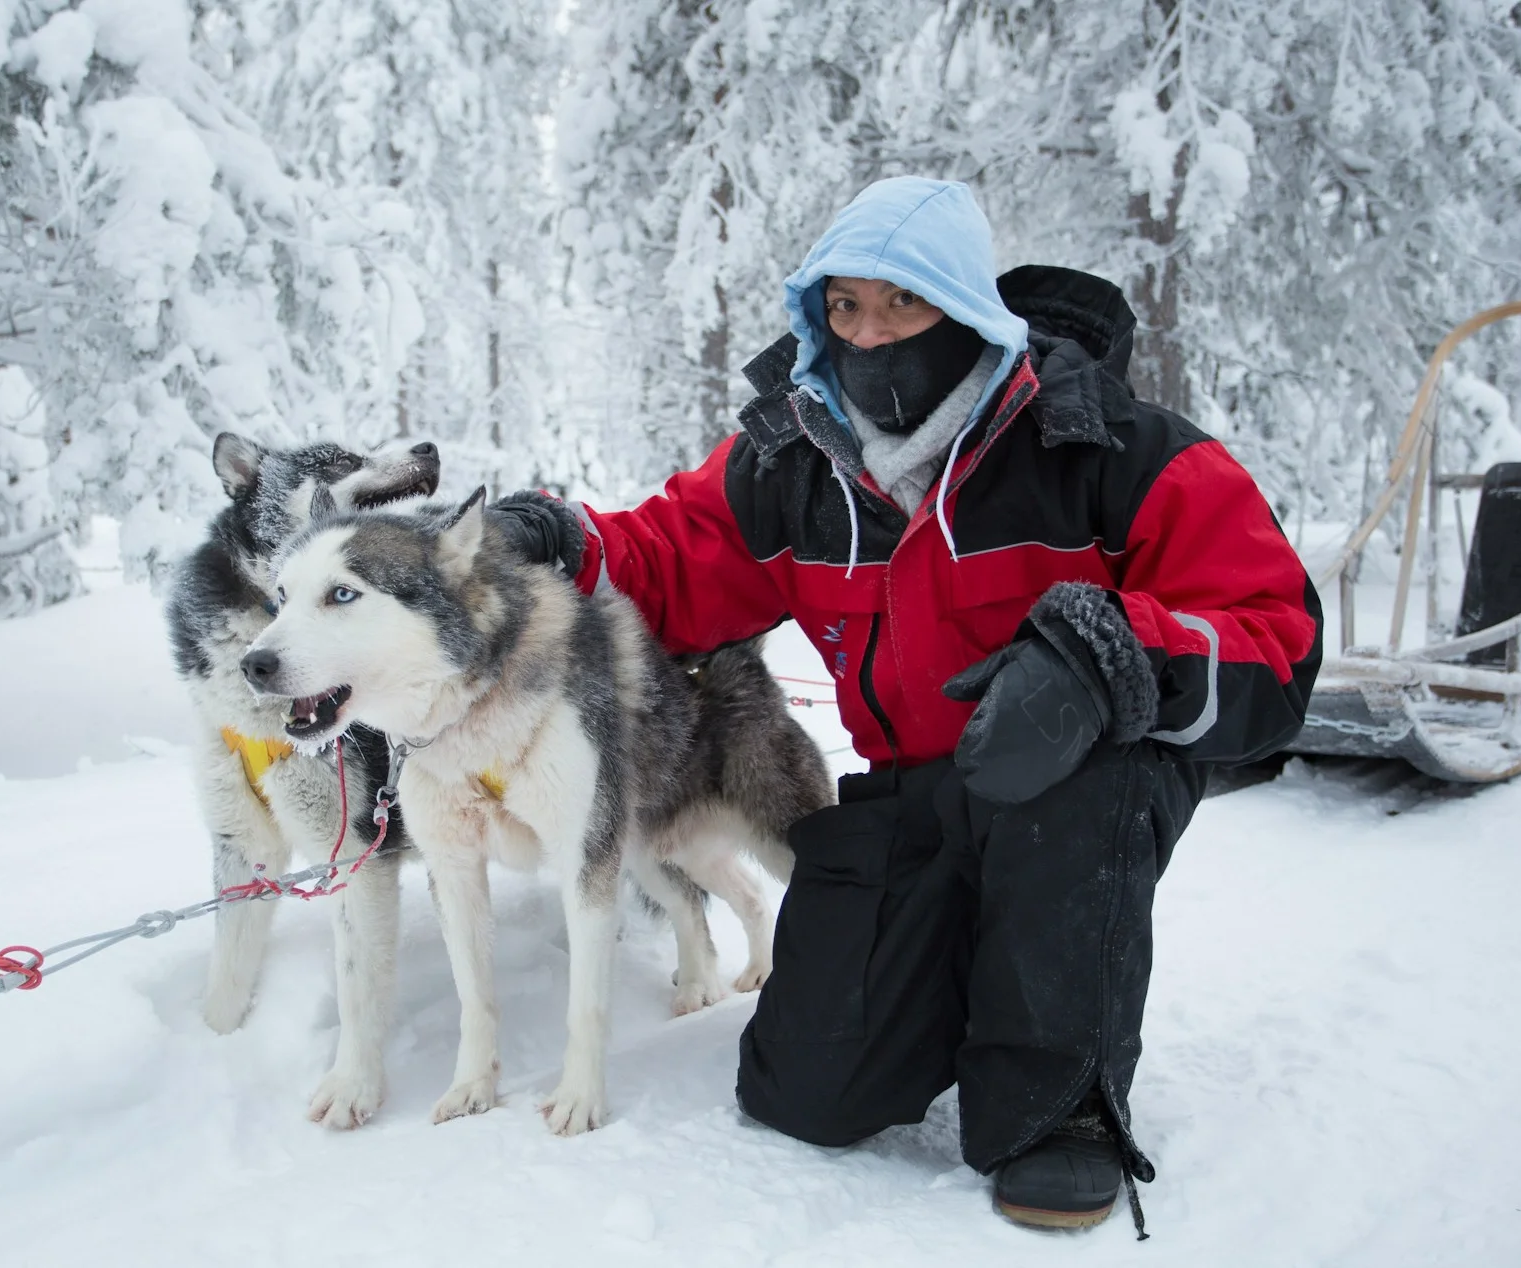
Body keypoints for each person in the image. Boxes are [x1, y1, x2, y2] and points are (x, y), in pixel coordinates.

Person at [491, 176, 1320, 1235]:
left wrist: (1118, 655)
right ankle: (962, 976)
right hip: (917, 784)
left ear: (967, 308)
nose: (869, 335)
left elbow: (1273, 633)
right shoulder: (797, 460)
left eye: (902, 304)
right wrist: (564, 541)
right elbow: (672, 555)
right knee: (807, 1091)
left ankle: (1060, 1102)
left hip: (1079, 783)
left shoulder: (1108, 442)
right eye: (844, 307)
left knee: (1073, 797)